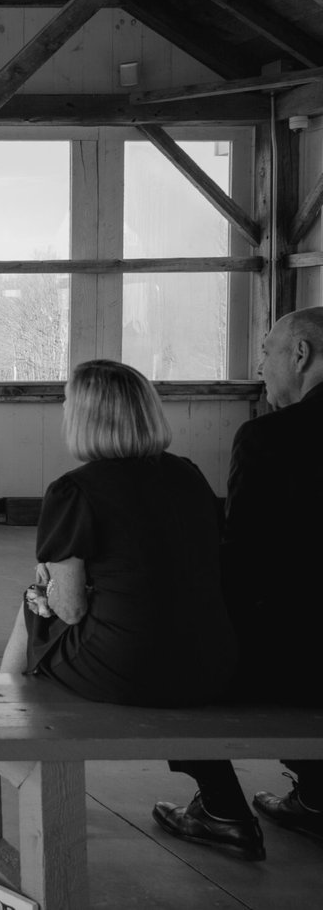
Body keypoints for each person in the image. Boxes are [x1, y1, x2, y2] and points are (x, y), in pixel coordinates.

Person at [153, 308, 323, 861]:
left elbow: (243, 559)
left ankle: (221, 807)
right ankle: (317, 796)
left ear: (301, 355)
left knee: (166, 650)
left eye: (267, 351)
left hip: (298, 660)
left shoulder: (271, 438)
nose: (259, 366)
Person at [0, 360, 236, 711]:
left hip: (130, 669)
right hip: (211, 663)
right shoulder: (188, 474)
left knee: (34, 602)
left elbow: (70, 609)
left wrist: (49, 583)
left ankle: (0, 710)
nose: (63, 408)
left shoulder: (73, 491)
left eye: (67, 400)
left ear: (86, 416)